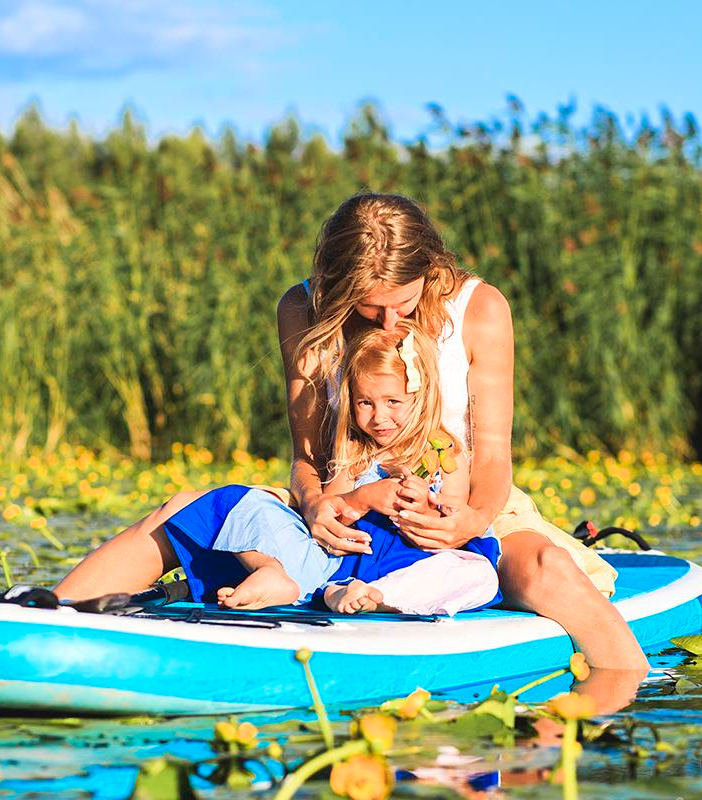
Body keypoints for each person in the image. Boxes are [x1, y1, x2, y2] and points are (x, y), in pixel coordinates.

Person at [277, 192, 647, 669]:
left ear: (430, 268)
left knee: (547, 569)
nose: (390, 322)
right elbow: (306, 456)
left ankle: (624, 694)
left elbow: (493, 458)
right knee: (187, 510)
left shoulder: (480, 309)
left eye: (403, 302)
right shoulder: (301, 307)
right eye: (368, 308)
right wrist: (314, 504)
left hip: (468, 503)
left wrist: (469, 521)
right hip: (345, 500)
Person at [58, 321, 502, 616]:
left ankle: (368, 599)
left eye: (393, 403)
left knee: (476, 571)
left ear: (419, 399)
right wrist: (364, 499)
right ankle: (279, 574)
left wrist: (423, 505)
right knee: (239, 502)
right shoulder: (353, 443)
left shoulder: (443, 449)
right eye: (365, 403)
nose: (378, 417)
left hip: (401, 565)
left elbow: (452, 520)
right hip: (330, 562)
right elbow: (330, 510)